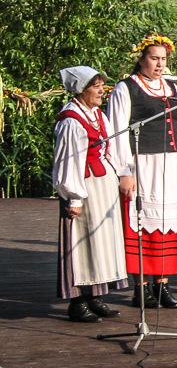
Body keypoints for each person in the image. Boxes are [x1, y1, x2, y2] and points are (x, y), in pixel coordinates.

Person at [108, 34, 177, 309]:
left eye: (163, 59)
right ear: (141, 58)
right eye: (154, 58)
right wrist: (125, 169)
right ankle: (140, 287)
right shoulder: (126, 88)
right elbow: (117, 131)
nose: (160, 64)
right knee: (143, 223)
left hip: (172, 165)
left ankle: (162, 286)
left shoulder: (172, 89)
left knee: (168, 223)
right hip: (143, 164)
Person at [53, 66, 128, 322]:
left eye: (101, 85)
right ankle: (77, 302)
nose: (101, 90)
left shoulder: (96, 114)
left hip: (102, 185)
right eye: (95, 86)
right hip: (84, 188)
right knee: (82, 243)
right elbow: (67, 161)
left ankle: (95, 296)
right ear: (80, 89)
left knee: (101, 242)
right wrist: (73, 196)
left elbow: (110, 148)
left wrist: (121, 173)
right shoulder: (72, 121)